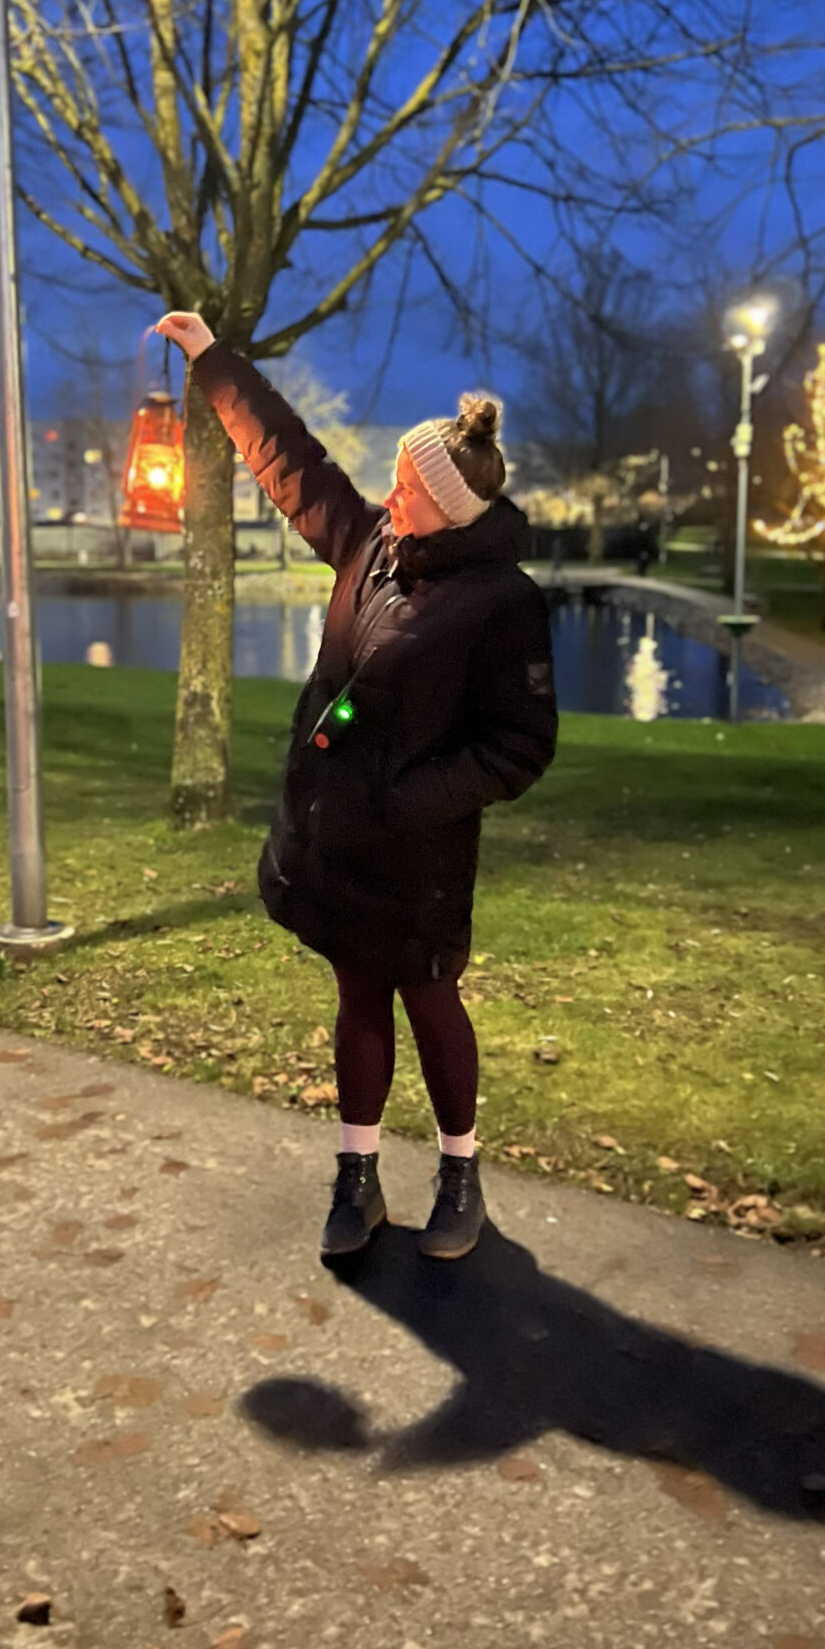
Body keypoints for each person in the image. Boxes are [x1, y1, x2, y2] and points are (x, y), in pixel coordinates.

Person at [153, 311, 558, 1262]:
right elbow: (291, 463)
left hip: (418, 859)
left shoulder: (503, 605)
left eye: (409, 487)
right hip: (335, 840)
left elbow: (520, 745)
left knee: (429, 1004)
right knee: (357, 1000)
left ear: (452, 509)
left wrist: (412, 797)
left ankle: (460, 1177)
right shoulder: (372, 546)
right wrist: (213, 360)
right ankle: (358, 1175)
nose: (390, 494)